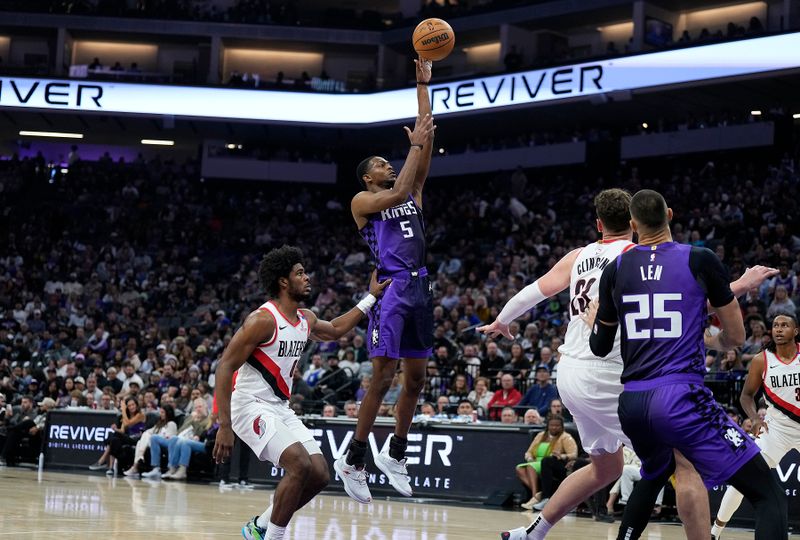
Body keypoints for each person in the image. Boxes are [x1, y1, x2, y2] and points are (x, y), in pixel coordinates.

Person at [483, 188, 777, 540]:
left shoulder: (580, 255)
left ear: (599, 224)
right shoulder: (635, 256)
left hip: (571, 372)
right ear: (636, 224)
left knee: (605, 468)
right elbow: (681, 301)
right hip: (613, 372)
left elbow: (534, 291)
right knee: (682, 463)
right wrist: (741, 285)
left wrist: (502, 320)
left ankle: (534, 530)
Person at [589, 189, 787, 540]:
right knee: (767, 493)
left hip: (633, 403)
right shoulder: (700, 258)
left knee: (655, 474)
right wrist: (714, 340)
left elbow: (600, 346)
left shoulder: (615, 268)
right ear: (670, 214)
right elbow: (736, 337)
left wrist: (597, 320)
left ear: (633, 225)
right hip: (680, 398)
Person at [212, 245, 390, 540]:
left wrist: (371, 297)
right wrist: (224, 425)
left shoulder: (305, 318)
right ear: (284, 281)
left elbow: (334, 329)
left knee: (319, 474)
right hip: (249, 404)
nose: (307, 277)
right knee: (299, 463)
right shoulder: (262, 320)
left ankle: (260, 526)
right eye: (300, 273)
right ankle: (275, 537)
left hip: (279, 408)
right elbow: (224, 367)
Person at [335, 55, 436, 504]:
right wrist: (414, 146)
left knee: (415, 379)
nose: (387, 166)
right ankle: (353, 458)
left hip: (421, 286)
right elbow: (397, 189)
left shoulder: (412, 191)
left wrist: (421, 84)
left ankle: (395, 452)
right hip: (392, 288)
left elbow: (425, 130)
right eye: (380, 163)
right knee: (382, 376)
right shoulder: (362, 200)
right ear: (366, 176)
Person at [711, 313, 800, 539]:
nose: (779, 329)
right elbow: (746, 396)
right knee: (742, 479)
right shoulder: (762, 359)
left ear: (796, 331)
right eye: (776, 325)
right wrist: (755, 418)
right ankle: (715, 532)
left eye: (785, 325)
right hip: (776, 431)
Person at [516, 415, 577, 510]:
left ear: (562, 426)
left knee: (536, 465)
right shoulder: (540, 435)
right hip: (536, 461)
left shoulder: (565, 437)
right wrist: (529, 457)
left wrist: (562, 456)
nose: (554, 427)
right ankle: (537, 494)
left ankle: (537, 497)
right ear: (548, 425)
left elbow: (573, 454)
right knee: (520, 468)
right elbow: (529, 451)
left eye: (557, 425)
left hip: (555, 463)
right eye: (552, 425)